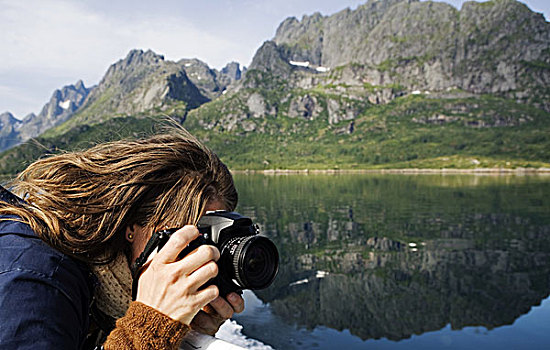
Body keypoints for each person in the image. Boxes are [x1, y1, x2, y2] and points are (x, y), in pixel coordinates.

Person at [0, 128, 245, 349]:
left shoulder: (105, 283)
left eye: (210, 240)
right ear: (132, 226)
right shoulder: (35, 281)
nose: (199, 259)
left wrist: (181, 335)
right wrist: (150, 326)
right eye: (187, 240)